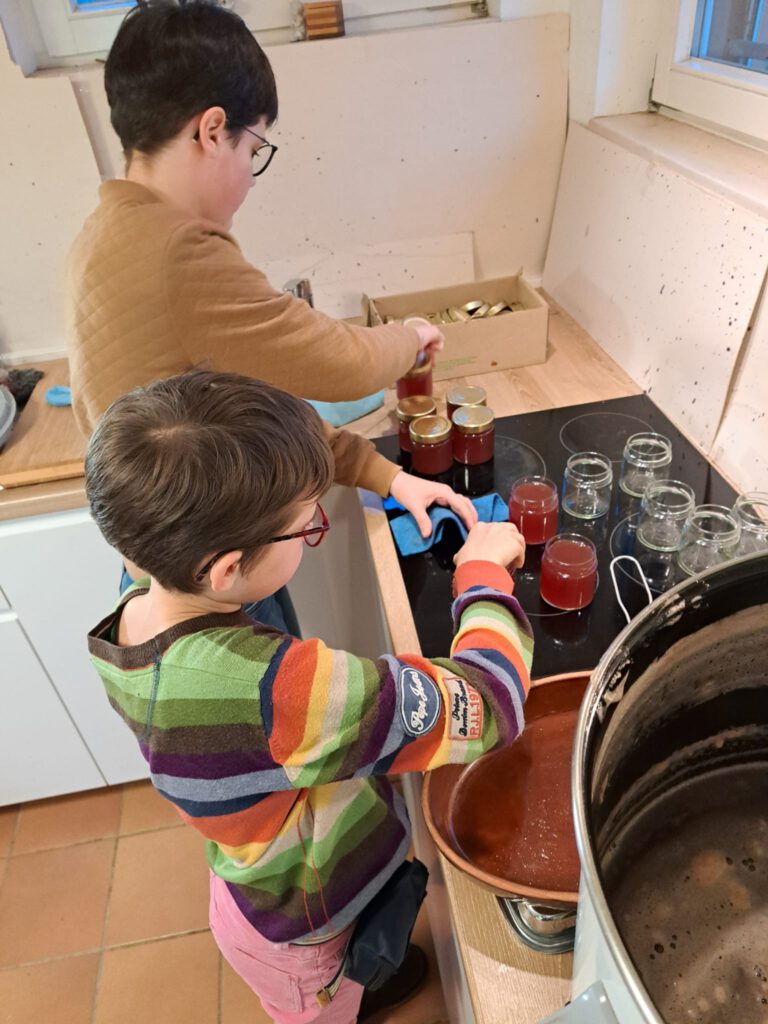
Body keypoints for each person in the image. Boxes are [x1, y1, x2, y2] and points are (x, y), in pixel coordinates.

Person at [85, 370, 533, 1024]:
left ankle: (365, 980)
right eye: (306, 526)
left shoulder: (132, 611)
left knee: (350, 976)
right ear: (226, 569)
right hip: (306, 935)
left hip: (256, 883)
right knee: (321, 1012)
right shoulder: (279, 693)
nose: (313, 528)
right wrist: (485, 578)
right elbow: (490, 704)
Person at [66, 0, 476, 575]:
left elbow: (249, 419)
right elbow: (345, 365)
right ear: (212, 131)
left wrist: (385, 475)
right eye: (253, 150)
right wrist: (408, 337)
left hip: (174, 561)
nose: (249, 178)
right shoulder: (177, 255)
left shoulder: (104, 232)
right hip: (208, 574)